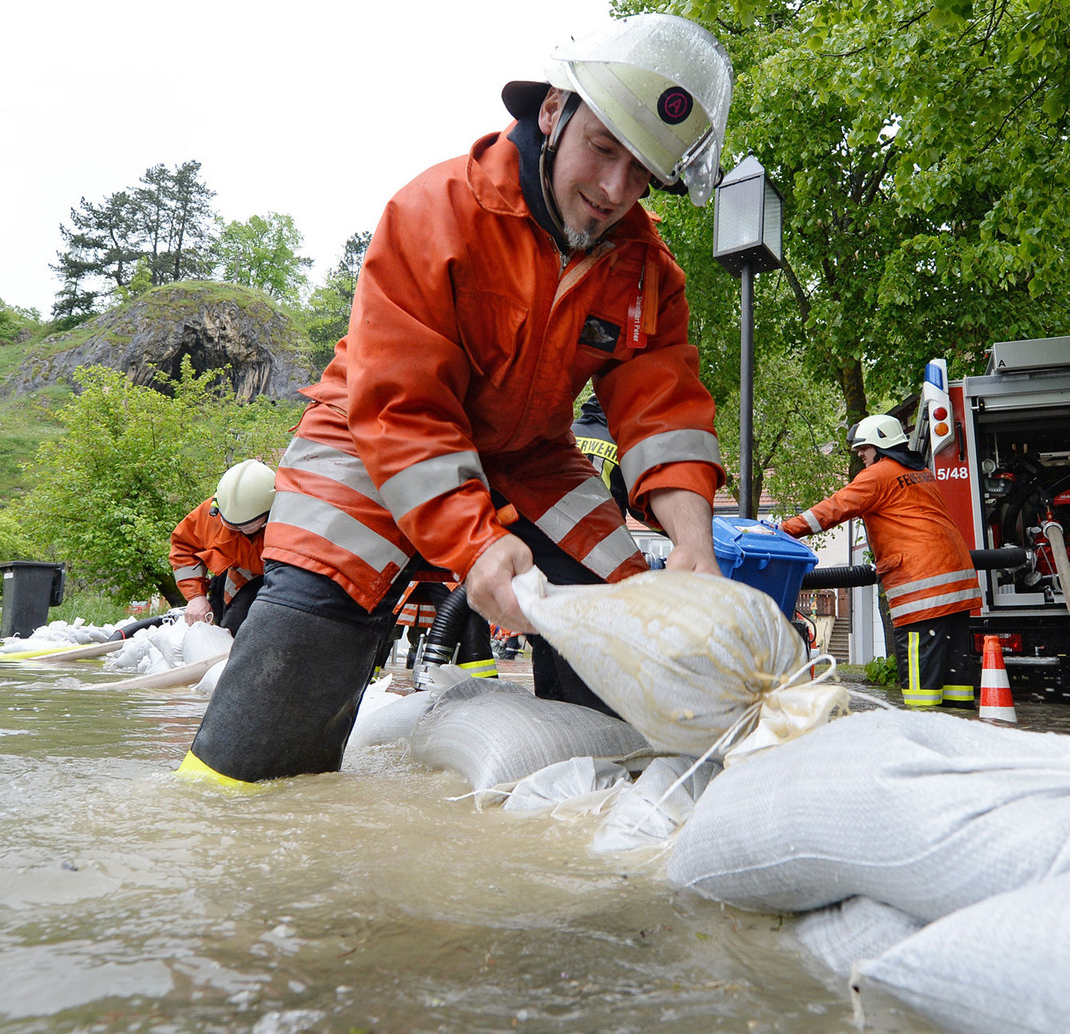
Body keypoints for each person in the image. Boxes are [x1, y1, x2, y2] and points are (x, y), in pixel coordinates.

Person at [177, 14, 734, 786]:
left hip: (530, 457)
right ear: (552, 111)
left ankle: (598, 818)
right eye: (603, 150)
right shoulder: (434, 213)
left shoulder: (646, 269)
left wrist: (693, 543)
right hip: (369, 438)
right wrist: (474, 542)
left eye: (641, 172)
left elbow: (662, 407)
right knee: (309, 629)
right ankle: (238, 802)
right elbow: (402, 406)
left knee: (620, 616)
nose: (614, 191)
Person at [780, 415, 979, 708]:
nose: (860, 454)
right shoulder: (920, 471)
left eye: (864, 447)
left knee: (921, 689)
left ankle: (924, 737)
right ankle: (960, 730)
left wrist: (780, 530)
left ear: (882, 444)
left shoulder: (879, 475)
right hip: (956, 584)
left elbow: (833, 509)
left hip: (921, 589)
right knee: (955, 682)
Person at [168, 459, 273, 636]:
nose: (237, 531)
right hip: (232, 576)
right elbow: (183, 547)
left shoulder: (289, 522)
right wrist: (196, 597)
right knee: (228, 628)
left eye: (245, 527)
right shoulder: (212, 513)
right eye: (231, 526)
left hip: (277, 578)